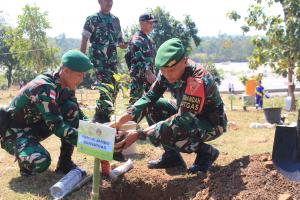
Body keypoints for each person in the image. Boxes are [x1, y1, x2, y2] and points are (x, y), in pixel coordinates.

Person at [113, 38, 227, 174]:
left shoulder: (198, 80)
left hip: (211, 123)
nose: (167, 75)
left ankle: (206, 153)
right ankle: (172, 157)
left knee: (176, 128)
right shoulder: (166, 71)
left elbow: (183, 119)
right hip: (185, 115)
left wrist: (140, 134)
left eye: (172, 70)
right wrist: (120, 121)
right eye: (163, 70)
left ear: (185, 61)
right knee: (154, 107)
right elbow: (150, 97)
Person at [0, 50, 93, 176]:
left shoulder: (64, 88)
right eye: (79, 75)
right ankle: (25, 161)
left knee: (71, 108)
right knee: (41, 160)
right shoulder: (44, 87)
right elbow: (57, 126)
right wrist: (89, 142)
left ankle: (64, 163)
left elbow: (79, 116)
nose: (82, 79)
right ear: (66, 71)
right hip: (13, 133)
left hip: (34, 126)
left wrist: (97, 130)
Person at [80, 0, 127, 124]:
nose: (110, 3)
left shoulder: (115, 20)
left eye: (111, 0)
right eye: (107, 0)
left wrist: (123, 44)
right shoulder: (93, 19)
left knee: (115, 88)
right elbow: (85, 38)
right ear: (100, 2)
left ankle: (103, 115)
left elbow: (120, 39)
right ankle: (100, 118)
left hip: (112, 61)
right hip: (99, 61)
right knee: (106, 87)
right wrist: (81, 59)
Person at [126, 13, 157, 105]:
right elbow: (138, 57)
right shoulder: (137, 38)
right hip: (139, 76)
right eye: (149, 23)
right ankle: (130, 120)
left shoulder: (147, 39)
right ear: (142, 23)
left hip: (149, 76)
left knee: (154, 100)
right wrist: (149, 73)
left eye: (152, 23)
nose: (152, 25)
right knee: (135, 103)